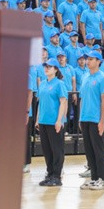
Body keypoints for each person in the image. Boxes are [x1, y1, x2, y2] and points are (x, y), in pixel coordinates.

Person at [77, 50, 104, 190]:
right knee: (89, 150)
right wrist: (80, 118)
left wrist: (102, 121)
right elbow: (82, 99)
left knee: (98, 150)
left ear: (98, 61)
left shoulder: (102, 78)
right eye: (87, 59)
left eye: (91, 59)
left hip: (96, 119)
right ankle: (94, 177)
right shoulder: (85, 77)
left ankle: (101, 178)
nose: (88, 61)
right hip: (85, 118)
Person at [37, 58, 68, 187]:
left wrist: (59, 120)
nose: (46, 69)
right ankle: (50, 174)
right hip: (44, 121)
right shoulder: (43, 84)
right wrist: (38, 119)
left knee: (57, 150)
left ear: (55, 69)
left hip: (54, 122)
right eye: (45, 66)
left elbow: (63, 102)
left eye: (49, 67)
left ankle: (57, 176)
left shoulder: (59, 84)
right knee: (47, 150)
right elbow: (40, 103)